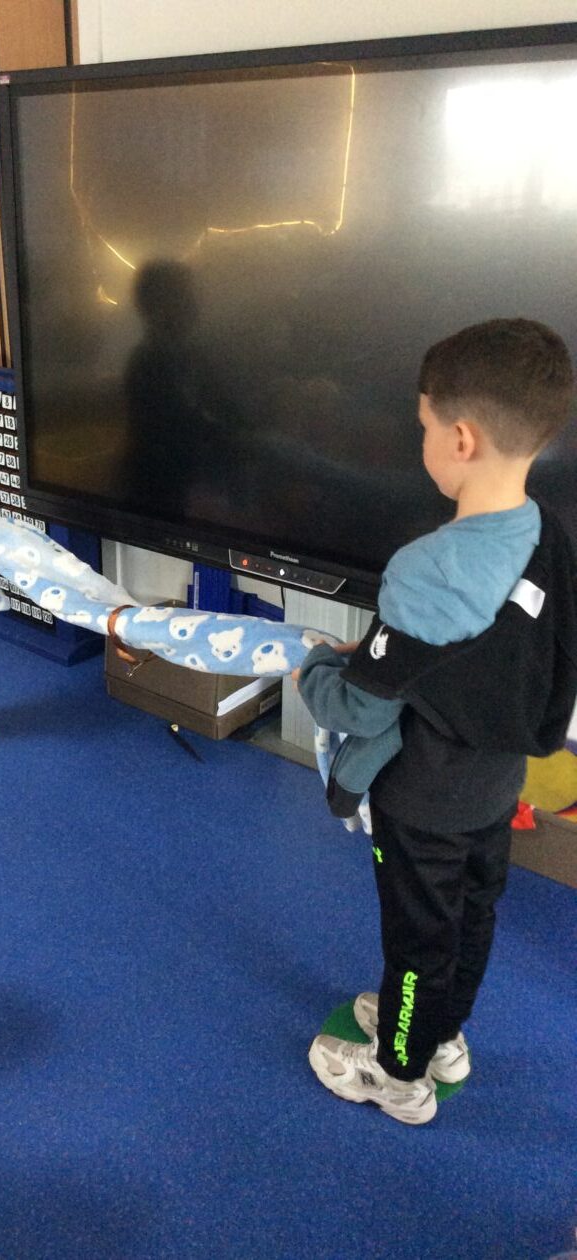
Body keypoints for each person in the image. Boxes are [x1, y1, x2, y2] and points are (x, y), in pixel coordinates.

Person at [295, 318, 577, 1125]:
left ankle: (398, 1074)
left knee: (417, 936)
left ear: (460, 439)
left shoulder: (429, 570)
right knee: (471, 913)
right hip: (492, 785)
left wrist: (314, 667)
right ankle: (440, 1034)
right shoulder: (547, 530)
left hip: (422, 799)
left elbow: (354, 702)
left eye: (421, 426)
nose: (419, 439)